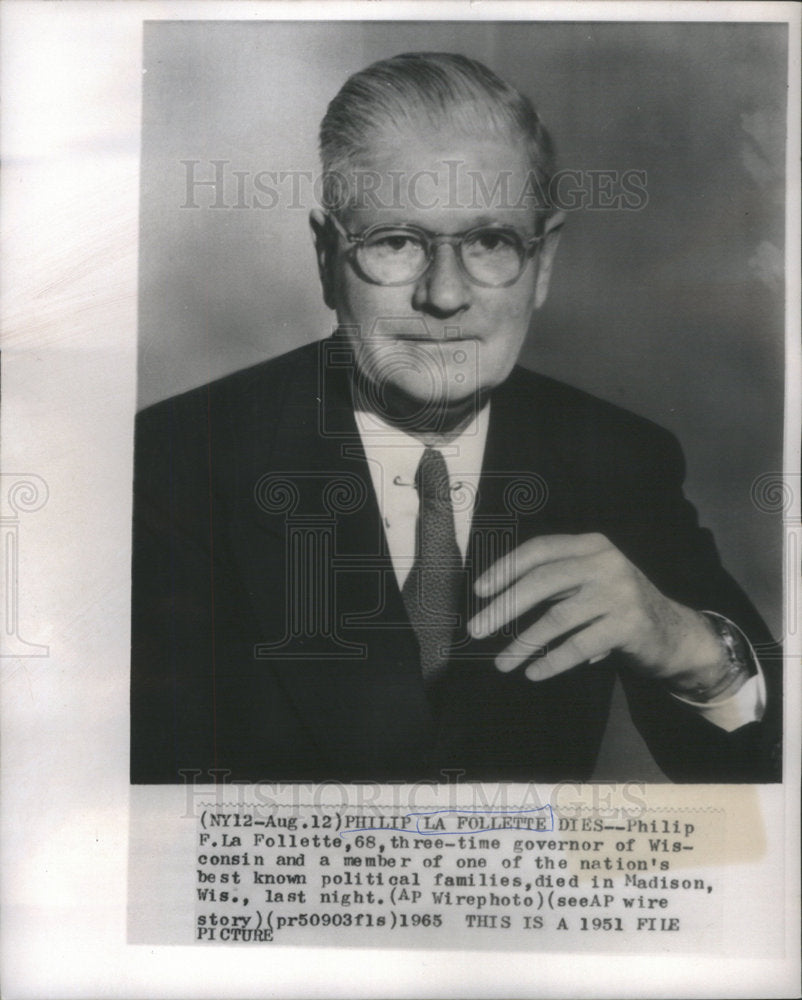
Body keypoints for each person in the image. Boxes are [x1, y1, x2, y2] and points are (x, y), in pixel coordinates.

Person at [130, 52, 781, 784]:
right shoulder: (176, 460)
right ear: (324, 256)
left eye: (490, 242)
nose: (444, 296)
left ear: (544, 264)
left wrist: (689, 650)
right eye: (397, 243)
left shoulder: (617, 458)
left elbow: (770, 792)